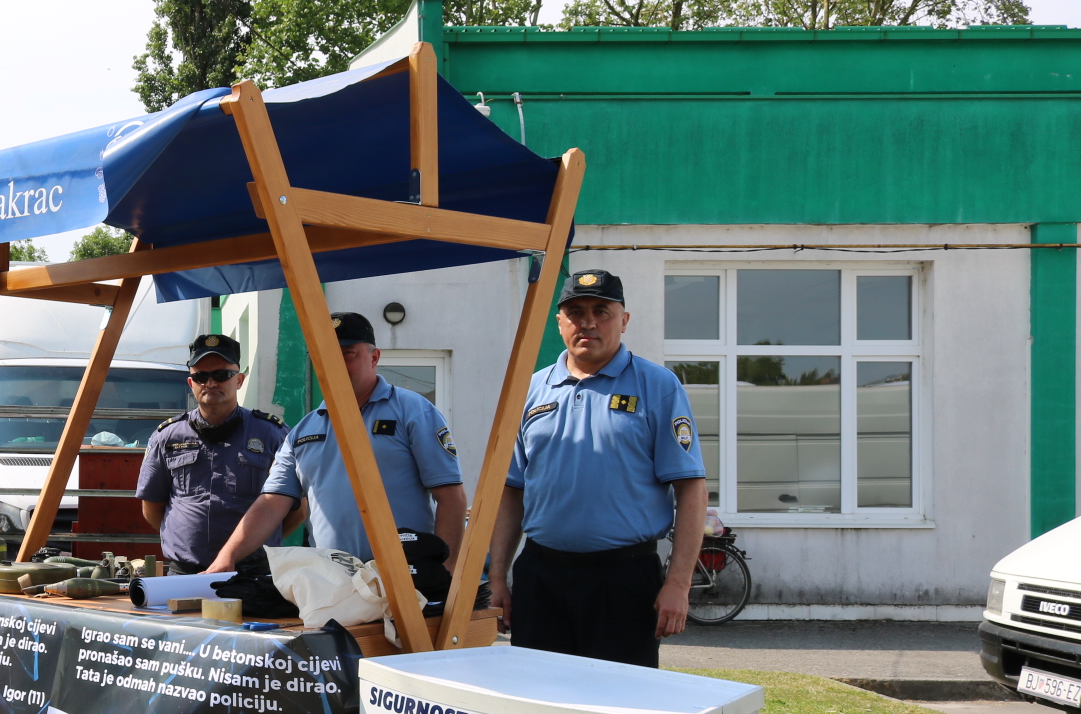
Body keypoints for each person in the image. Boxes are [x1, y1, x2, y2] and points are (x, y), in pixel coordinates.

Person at [487, 269, 708, 668]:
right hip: (541, 577)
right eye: (575, 311)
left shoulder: (657, 386)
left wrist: (678, 583)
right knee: (539, 703)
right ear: (559, 322)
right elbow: (511, 491)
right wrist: (498, 577)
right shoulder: (530, 389)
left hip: (623, 580)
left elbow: (691, 489)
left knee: (620, 708)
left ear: (624, 319)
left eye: (601, 311)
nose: (588, 321)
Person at [206, 313, 468, 573]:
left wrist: (444, 570)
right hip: (331, 582)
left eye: (347, 353)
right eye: (325, 354)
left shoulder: (413, 411)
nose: (334, 362)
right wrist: (227, 557)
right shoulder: (304, 430)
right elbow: (272, 502)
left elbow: (450, 497)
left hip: (405, 577)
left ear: (375, 357)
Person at [137, 333, 296, 573]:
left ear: (239, 380)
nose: (211, 383)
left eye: (221, 375)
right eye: (201, 376)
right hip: (185, 572)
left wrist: (259, 542)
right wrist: (188, 538)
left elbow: (296, 508)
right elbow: (152, 505)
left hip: (252, 572)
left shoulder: (273, 434)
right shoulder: (167, 436)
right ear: (191, 384)